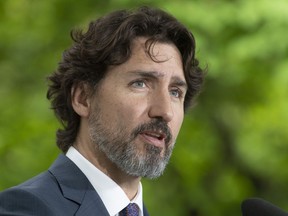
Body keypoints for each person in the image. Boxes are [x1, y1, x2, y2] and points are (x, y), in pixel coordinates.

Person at [0, 6, 205, 216]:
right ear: (82, 98)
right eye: (140, 83)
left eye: (175, 92)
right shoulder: (25, 208)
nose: (165, 111)